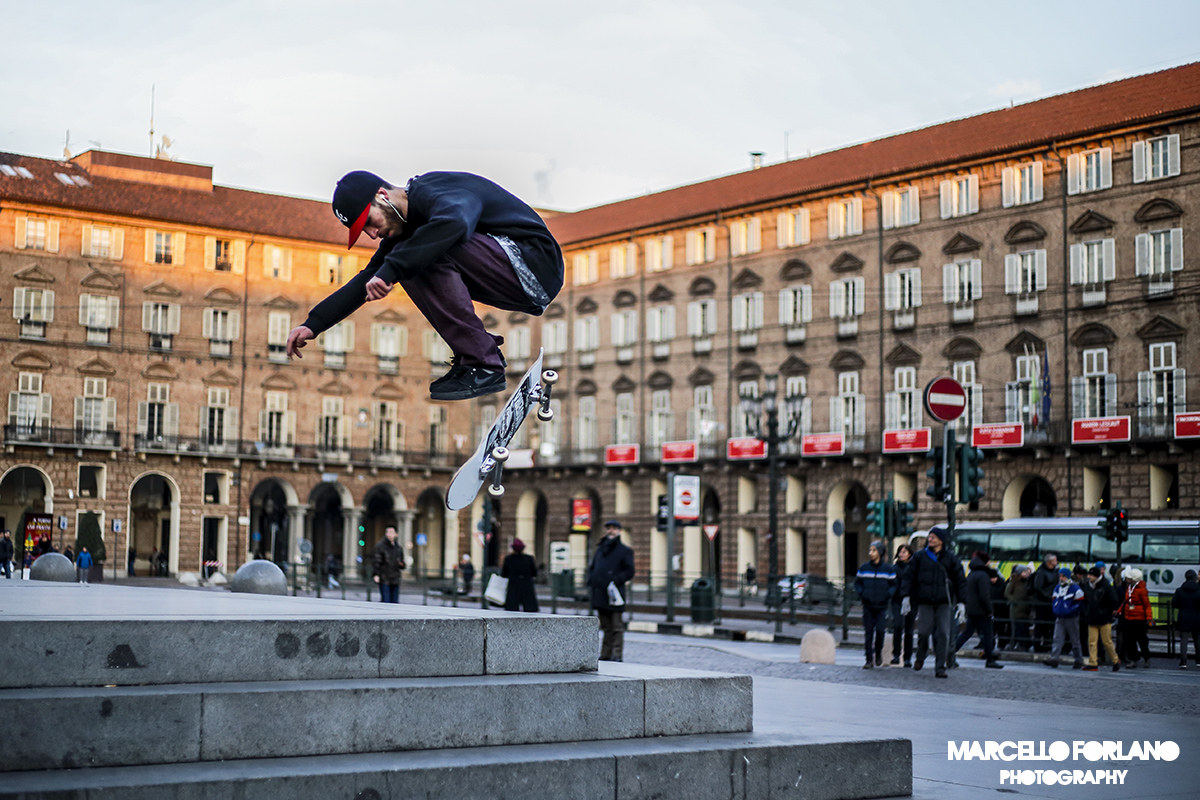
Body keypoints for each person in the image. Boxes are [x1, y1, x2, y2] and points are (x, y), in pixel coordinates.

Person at [285, 170, 564, 401]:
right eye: (365, 231)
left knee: (415, 250)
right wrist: (314, 324)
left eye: (369, 222)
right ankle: (475, 356)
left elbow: (456, 222)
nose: (373, 234)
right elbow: (367, 278)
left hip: (534, 263)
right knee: (408, 254)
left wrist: (393, 269)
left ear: (382, 195)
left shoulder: (433, 191)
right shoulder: (404, 232)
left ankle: (482, 362)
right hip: (510, 280)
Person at [900, 528, 966, 678]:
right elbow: (908, 577)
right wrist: (906, 596)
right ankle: (921, 655)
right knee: (923, 632)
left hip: (944, 602)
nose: (930, 539)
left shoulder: (950, 558)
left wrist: (962, 602)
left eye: (934, 537)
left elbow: (960, 580)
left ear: (941, 540)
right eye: (929, 537)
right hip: (925, 601)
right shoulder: (919, 556)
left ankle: (940, 667)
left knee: (943, 634)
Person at [587, 520, 635, 662]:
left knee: (617, 626)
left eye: (614, 528)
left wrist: (616, 580)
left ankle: (616, 654)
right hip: (600, 592)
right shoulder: (600, 549)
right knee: (606, 627)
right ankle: (605, 653)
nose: (611, 531)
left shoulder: (625, 551)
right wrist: (592, 580)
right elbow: (593, 567)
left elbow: (629, 571)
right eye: (609, 528)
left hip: (615, 594)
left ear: (619, 531)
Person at [953, 551, 1004, 669]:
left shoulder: (972, 573)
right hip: (982, 610)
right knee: (988, 635)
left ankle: (950, 652)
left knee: (966, 633)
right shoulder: (983, 575)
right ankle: (990, 660)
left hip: (972, 608)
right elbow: (984, 595)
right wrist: (989, 609)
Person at [853, 541, 895, 669]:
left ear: (880, 552)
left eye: (874, 550)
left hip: (882, 606)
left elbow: (893, 585)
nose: (870, 553)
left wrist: (887, 595)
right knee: (868, 633)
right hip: (868, 606)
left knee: (881, 631)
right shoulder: (864, 568)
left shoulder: (888, 569)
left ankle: (878, 652)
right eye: (870, 550)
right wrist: (862, 594)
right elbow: (857, 583)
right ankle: (868, 659)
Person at [1083, 565, 1121, 672]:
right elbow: (1086, 600)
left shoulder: (1106, 585)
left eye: (1091, 575)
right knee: (1092, 642)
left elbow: (1114, 599)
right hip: (1092, 617)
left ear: (1096, 576)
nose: (1089, 577)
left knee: (1106, 642)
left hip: (1104, 618)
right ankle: (1093, 663)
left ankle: (1115, 660)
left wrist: (1108, 611)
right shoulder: (1088, 586)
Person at [1046, 567, 1085, 669]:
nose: (1061, 578)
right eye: (1060, 576)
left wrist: (1071, 610)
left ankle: (1078, 659)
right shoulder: (1057, 588)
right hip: (1060, 616)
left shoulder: (1075, 588)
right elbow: (1054, 600)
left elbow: (1080, 603)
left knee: (1074, 639)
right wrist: (1056, 609)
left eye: (1063, 576)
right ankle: (1054, 658)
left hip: (1071, 617)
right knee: (1057, 638)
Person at [1117, 567, 1153, 669]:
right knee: (1130, 641)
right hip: (1129, 617)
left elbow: (1147, 605)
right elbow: (1126, 601)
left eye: (1128, 578)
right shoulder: (1129, 588)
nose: (1126, 579)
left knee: (1142, 640)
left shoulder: (1142, 590)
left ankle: (1146, 658)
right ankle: (1133, 659)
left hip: (1139, 619)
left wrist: (1149, 618)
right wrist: (1119, 610)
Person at [890, 544, 915, 666]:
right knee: (898, 626)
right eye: (900, 552)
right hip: (897, 600)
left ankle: (907, 657)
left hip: (911, 600)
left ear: (910, 554)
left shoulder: (914, 567)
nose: (901, 554)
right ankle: (896, 654)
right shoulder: (894, 568)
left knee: (909, 629)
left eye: (904, 552)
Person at [1030, 553, 1060, 652]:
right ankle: (1037, 645)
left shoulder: (1055, 571)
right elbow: (1038, 587)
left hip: (1051, 602)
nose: (1056, 562)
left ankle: (1047, 644)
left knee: (1050, 625)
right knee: (1040, 625)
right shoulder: (1041, 572)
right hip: (1042, 602)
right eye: (1055, 561)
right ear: (1049, 562)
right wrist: (1049, 596)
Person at [500, 539, 539, 612]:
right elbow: (534, 573)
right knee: (530, 608)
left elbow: (504, 573)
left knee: (512, 608)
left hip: (513, 584)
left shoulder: (508, 559)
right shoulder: (529, 559)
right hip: (527, 584)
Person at [1172, 569, 1200, 669]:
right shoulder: (1199, 590)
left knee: (1184, 640)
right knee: (1197, 639)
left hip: (1183, 616)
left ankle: (1183, 661)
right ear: (1195, 578)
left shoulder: (1180, 590)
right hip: (1197, 617)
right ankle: (1198, 660)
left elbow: (1174, 604)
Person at [372, 526, 406, 603]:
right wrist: (376, 574)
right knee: (386, 601)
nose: (389, 534)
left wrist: (402, 564)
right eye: (387, 532)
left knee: (395, 602)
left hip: (395, 578)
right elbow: (377, 561)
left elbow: (402, 561)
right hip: (384, 577)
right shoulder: (380, 546)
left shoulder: (398, 547)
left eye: (391, 532)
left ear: (396, 534)